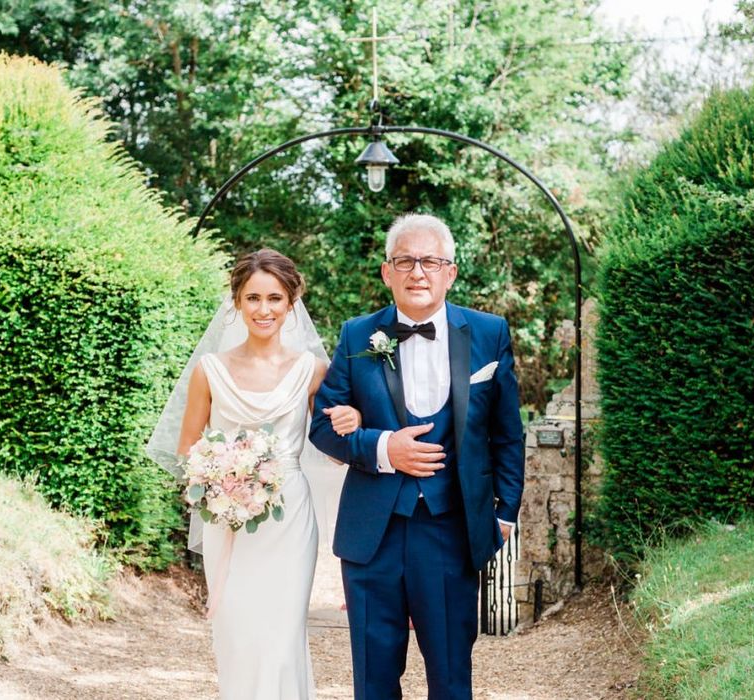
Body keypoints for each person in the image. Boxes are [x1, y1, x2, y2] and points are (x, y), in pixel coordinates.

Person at [309, 214, 525, 700]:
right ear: (387, 272)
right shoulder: (357, 335)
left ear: (450, 271)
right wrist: (385, 448)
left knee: (450, 676)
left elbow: (508, 432)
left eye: (430, 261)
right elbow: (323, 427)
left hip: (451, 527)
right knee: (374, 678)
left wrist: (506, 511)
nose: (417, 272)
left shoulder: (489, 333)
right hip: (372, 534)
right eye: (404, 261)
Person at [175, 249, 359, 700]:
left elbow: (334, 452)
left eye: (274, 298)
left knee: (280, 638)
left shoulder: (313, 371)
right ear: (237, 302)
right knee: (236, 635)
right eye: (253, 297)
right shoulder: (210, 371)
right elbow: (187, 450)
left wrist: (350, 420)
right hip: (228, 518)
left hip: (289, 520)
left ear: (291, 303)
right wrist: (220, 478)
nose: (263, 309)